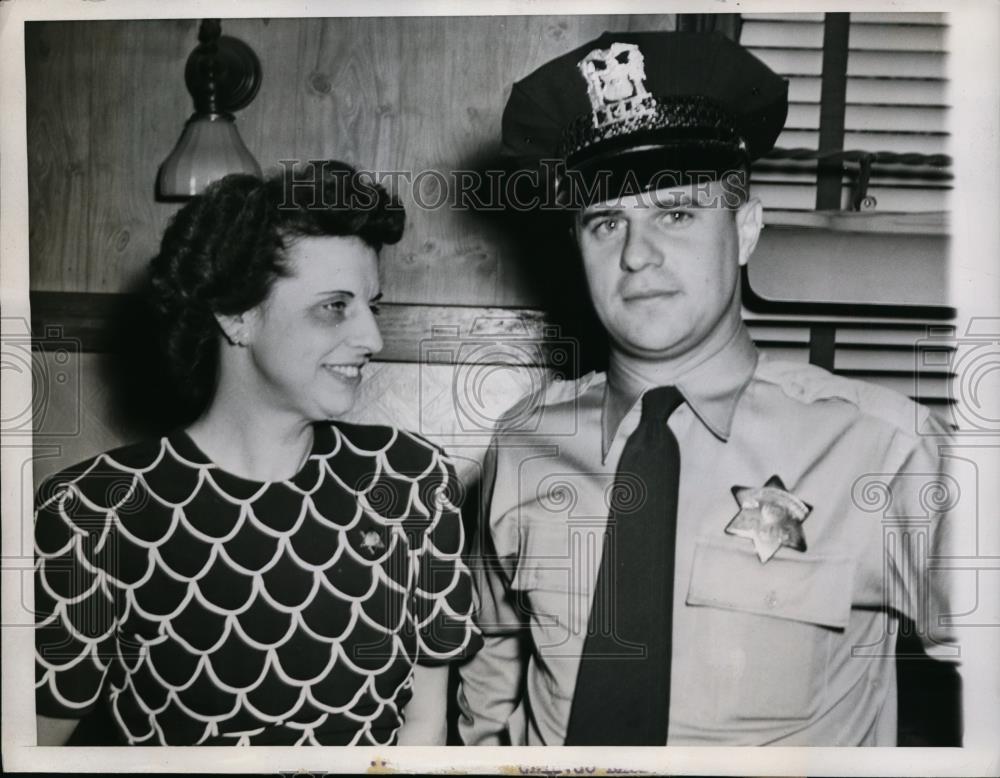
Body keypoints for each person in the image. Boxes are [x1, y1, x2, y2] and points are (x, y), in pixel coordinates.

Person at [457, 31, 961, 746]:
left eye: (677, 213)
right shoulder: (524, 440)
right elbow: (493, 661)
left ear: (746, 230)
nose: (637, 255)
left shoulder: (886, 450)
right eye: (607, 222)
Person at [34, 160, 481, 746]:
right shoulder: (93, 512)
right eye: (334, 306)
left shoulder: (412, 482)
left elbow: (424, 724)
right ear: (236, 315)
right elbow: (33, 748)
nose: (372, 338)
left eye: (373, 305)